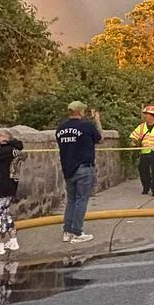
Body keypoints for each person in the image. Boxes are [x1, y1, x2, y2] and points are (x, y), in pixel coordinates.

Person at [54, 101, 103, 244]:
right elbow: (100, 139)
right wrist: (97, 121)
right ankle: (77, 232)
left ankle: (67, 231)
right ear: (81, 111)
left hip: (68, 169)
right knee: (81, 199)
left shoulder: (61, 128)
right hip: (84, 167)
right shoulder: (87, 126)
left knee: (71, 200)